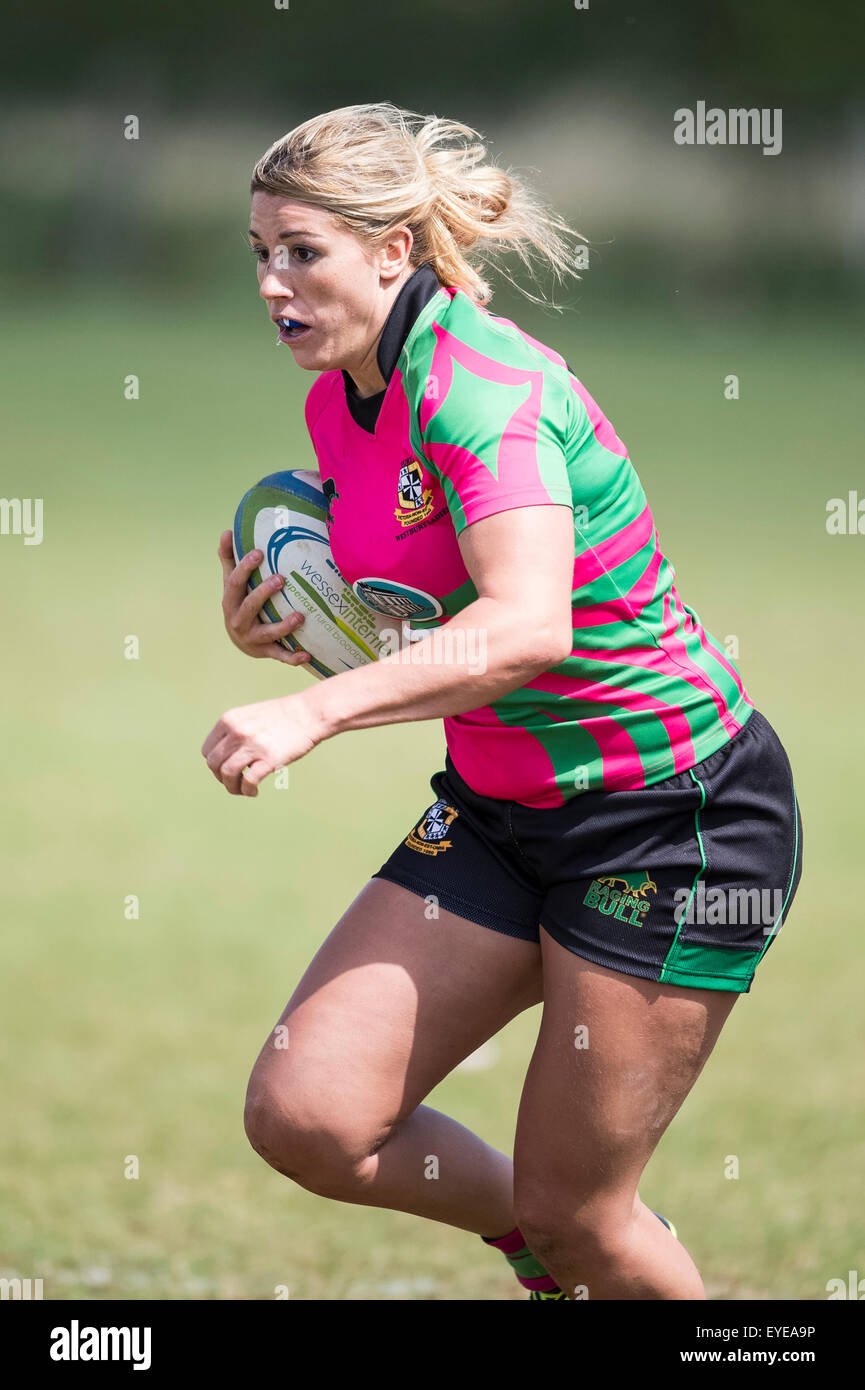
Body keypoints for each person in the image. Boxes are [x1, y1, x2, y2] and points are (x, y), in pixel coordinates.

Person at [201, 102, 803, 1300]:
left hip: (666, 816)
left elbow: (527, 626)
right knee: (309, 1115)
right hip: (499, 804)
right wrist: (284, 633)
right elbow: (415, 601)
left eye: (302, 251)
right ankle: (554, 1246)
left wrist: (313, 716)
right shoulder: (339, 394)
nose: (272, 281)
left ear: (391, 251)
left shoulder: (482, 384)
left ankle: (585, 1242)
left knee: (583, 1214)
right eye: (260, 252)